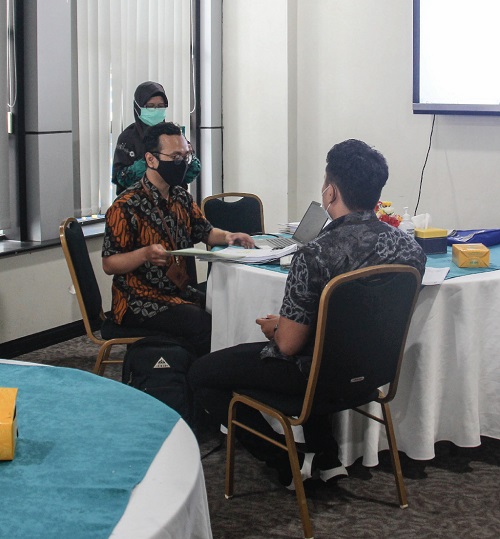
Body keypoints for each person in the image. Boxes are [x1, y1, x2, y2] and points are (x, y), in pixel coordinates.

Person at [188, 139, 427, 488]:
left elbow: (288, 345)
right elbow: (356, 319)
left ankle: (286, 459)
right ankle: (326, 457)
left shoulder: (314, 254)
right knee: (318, 346)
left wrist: (277, 328)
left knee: (202, 374)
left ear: (331, 192)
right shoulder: (409, 247)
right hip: (374, 372)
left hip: (315, 377)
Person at [102, 121, 255, 357]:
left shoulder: (181, 196)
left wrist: (228, 236)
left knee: (226, 311)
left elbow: (205, 231)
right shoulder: (126, 206)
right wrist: (144, 254)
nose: (182, 163)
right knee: (202, 324)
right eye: (175, 157)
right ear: (151, 160)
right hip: (138, 300)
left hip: (177, 291)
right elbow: (109, 264)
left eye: (186, 156)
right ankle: (196, 375)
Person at [112, 81, 201, 195]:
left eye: (160, 106)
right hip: (138, 199)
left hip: (173, 198)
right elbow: (121, 178)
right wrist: (151, 162)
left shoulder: (173, 134)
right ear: (138, 107)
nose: (156, 110)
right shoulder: (128, 138)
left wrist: (187, 158)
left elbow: (191, 172)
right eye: (150, 106)